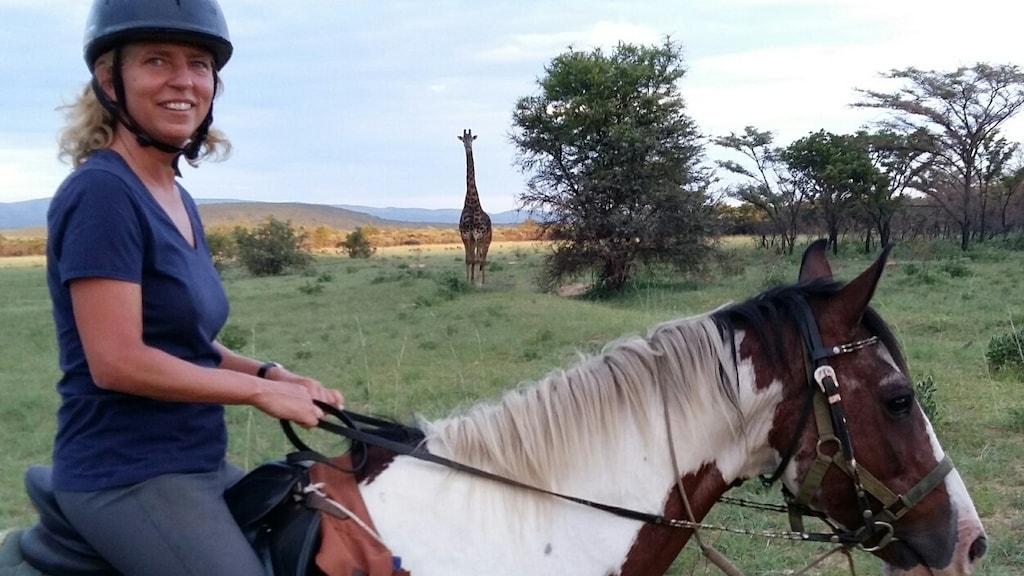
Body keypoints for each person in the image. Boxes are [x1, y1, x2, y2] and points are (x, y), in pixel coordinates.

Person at [19, 1, 345, 574]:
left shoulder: (173, 194)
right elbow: (117, 360)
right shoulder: (102, 194)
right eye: (156, 61)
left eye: (198, 64)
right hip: (125, 473)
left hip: (195, 459)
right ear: (110, 81)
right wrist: (256, 395)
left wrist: (272, 374)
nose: (183, 80)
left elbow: (185, 342)